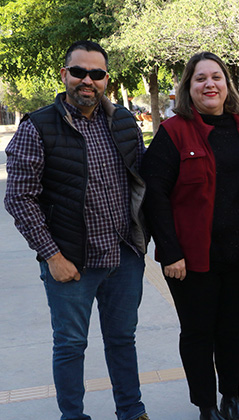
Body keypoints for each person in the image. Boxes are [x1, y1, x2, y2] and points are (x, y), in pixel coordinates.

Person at [4, 40, 150, 420]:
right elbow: (19, 197)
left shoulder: (124, 122)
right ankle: (73, 416)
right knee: (70, 345)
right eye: (80, 72)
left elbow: (144, 180)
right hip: (71, 263)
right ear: (64, 74)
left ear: (106, 79)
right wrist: (52, 256)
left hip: (123, 258)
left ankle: (132, 412)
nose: (88, 81)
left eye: (97, 74)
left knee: (122, 340)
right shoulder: (37, 126)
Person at [140, 51, 239, 420]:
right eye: (200, 79)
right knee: (197, 332)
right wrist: (170, 251)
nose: (209, 84)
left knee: (231, 331)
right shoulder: (173, 132)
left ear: (227, 85)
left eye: (216, 77)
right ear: (188, 88)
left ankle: (231, 398)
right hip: (191, 259)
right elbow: (154, 194)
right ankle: (206, 406)